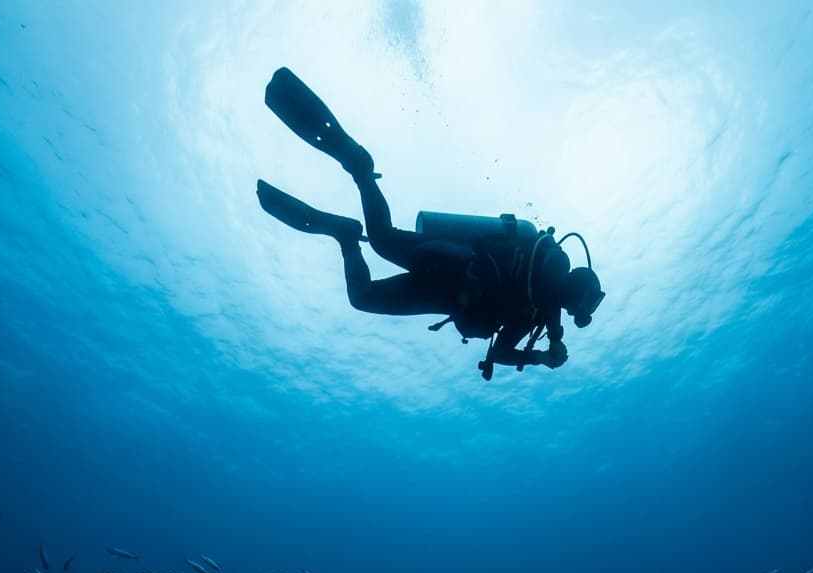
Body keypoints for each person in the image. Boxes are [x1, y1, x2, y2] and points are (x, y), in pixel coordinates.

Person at [257, 68, 605, 380]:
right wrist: (545, 351)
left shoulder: (538, 311)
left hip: (447, 294)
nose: (582, 311)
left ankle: (348, 228)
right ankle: (360, 175)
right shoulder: (550, 277)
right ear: (579, 289)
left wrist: (541, 355)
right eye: (588, 303)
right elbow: (539, 311)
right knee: (379, 246)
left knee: (366, 287)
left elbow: (500, 351)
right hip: (452, 265)